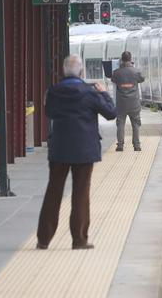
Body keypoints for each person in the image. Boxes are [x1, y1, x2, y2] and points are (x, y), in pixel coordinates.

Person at [37, 55, 116, 250]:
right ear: (82, 72)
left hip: (59, 148)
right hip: (84, 149)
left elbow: (49, 112)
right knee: (81, 193)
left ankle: (44, 239)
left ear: (63, 71)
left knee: (53, 192)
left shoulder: (54, 92)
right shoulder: (89, 93)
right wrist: (104, 94)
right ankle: (79, 240)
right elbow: (111, 113)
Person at [110, 51, 145, 152]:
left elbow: (113, 79)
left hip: (121, 104)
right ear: (130, 59)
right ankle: (137, 145)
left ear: (122, 59)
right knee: (136, 124)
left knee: (120, 124)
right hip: (134, 103)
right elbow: (142, 79)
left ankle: (120, 145)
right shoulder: (136, 71)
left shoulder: (116, 72)